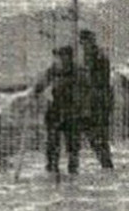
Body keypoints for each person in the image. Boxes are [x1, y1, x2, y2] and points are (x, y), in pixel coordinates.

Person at [33, 44, 80, 178]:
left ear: (69, 57)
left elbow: (85, 92)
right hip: (55, 109)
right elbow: (41, 84)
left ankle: (73, 171)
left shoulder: (77, 72)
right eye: (58, 56)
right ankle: (52, 169)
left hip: (72, 111)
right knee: (52, 142)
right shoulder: (53, 70)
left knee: (72, 145)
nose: (60, 59)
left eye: (62, 56)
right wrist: (36, 91)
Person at [78, 30, 115, 170]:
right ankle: (105, 162)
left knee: (97, 133)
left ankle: (106, 163)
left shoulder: (98, 57)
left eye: (87, 42)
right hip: (95, 100)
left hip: (99, 100)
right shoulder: (90, 56)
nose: (85, 45)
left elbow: (99, 80)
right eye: (83, 43)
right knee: (94, 133)